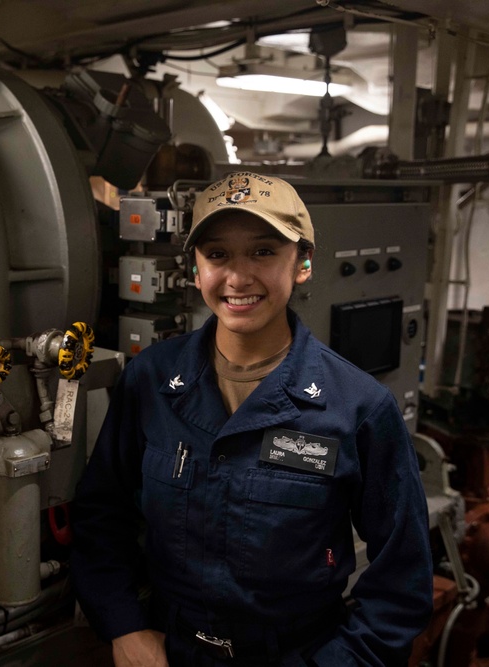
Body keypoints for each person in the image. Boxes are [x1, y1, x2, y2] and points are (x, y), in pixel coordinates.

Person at [70, 172, 433, 666]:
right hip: (168, 649)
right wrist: (124, 625)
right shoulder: (152, 381)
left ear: (302, 263)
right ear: (196, 272)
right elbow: (101, 515)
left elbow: (402, 578)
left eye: (263, 251)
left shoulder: (356, 407)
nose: (238, 278)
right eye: (217, 255)